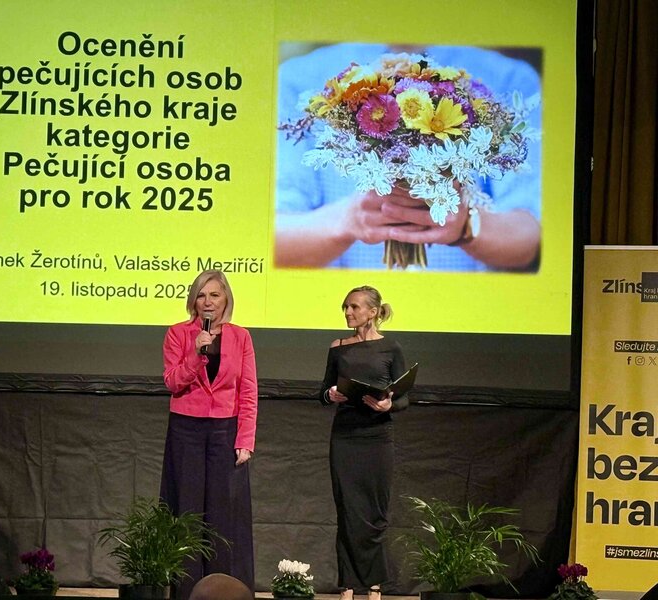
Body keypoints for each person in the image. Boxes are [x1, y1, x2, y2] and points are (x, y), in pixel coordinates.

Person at [275, 43, 542, 271]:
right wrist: (347, 220)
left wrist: (466, 225)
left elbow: (529, 237)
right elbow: (274, 237)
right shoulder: (297, 78)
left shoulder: (509, 78)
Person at [160, 269, 257, 600]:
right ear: (193, 300)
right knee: (187, 512)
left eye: (214, 294)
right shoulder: (178, 333)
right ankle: (187, 591)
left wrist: (245, 439)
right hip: (186, 429)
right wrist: (194, 355)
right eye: (201, 295)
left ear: (226, 298)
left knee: (223, 515)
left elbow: (248, 391)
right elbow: (173, 382)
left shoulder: (241, 337)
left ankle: (224, 592)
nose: (208, 301)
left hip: (225, 430)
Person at [319, 285, 410, 600]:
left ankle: (373, 585)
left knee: (374, 512)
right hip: (345, 437)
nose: (348, 312)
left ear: (373, 312)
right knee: (347, 510)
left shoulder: (391, 348)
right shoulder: (338, 348)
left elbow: (404, 397)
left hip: (377, 438)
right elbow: (322, 392)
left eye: (354, 307)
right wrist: (331, 395)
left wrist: (389, 404)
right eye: (345, 307)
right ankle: (347, 585)